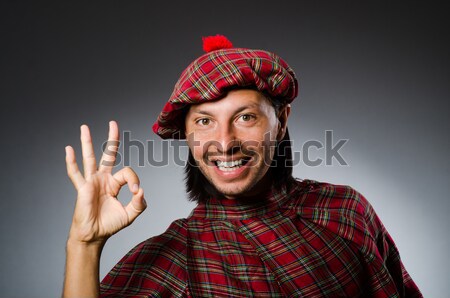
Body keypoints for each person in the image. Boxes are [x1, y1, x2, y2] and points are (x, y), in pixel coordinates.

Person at [62, 35, 422, 297]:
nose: (224, 141)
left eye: (246, 117)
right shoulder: (177, 257)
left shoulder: (346, 210)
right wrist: (84, 245)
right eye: (204, 121)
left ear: (281, 120)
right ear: (186, 133)